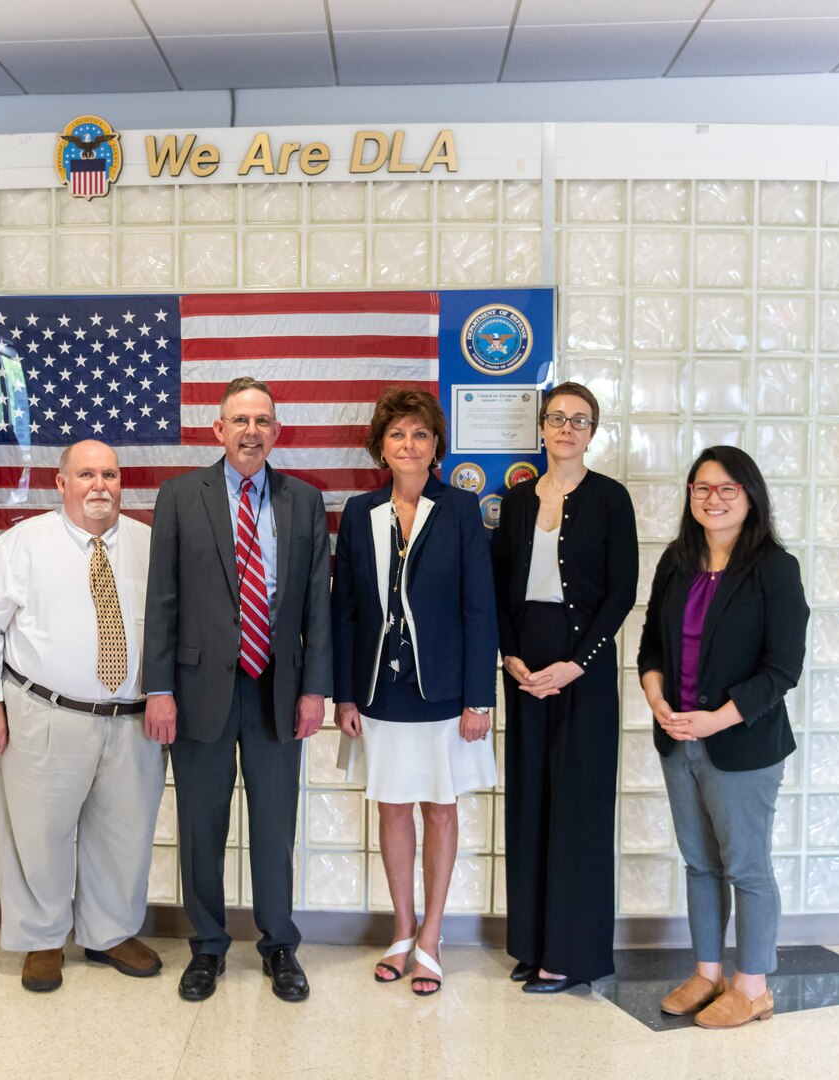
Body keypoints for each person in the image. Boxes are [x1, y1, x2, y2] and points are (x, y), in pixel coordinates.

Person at [143, 376, 333, 1004]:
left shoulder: (304, 500)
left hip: (278, 687)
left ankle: (279, 944)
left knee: (275, 825)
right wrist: (159, 688)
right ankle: (207, 947)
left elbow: (317, 607)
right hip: (197, 689)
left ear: (276, 432)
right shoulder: (178, 496)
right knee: (202, 823)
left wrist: (315, 689)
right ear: (217, 429)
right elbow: (161, 601)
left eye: (263, 421)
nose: (252, 431)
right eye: (240, 420)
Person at [0, 441, 165, 994]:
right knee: (39, 833)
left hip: (133, 720)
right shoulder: (22, 545)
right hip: (45, 713)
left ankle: (110, 932)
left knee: (125, 834)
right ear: (61, 482)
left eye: (110, 474)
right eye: (86, 474)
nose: (100, 485)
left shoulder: (151, 545)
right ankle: (42, 940)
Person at [331, 388, 498, 996]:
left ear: (436, 447)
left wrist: (480, 698)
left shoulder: (460, 508)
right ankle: (401, 931)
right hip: (379, 690)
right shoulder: (358, 511)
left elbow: (480, 607)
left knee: (440, 806)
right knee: (392, 805)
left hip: (444, 693)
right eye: (397, 434)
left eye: (420, 434)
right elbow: (344, 609)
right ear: (381, 447)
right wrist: (344, 695)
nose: (409, 444)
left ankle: (432, 936)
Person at [636, 445, 809, 1030]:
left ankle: (753, 986)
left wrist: (716, 719)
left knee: (746, 867)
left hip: (741, 745)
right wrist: (657, 698)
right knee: (699, 864)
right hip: (677, 738)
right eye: (702, 488)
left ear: (750, 495)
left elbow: (783, 669)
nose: (714, 499)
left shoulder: (775, 570)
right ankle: (707, 973)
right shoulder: (676, 563)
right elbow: (650, 648)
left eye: (727, 488)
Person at [490, 380, 637, 994]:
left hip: (585, 666)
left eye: (580, 420)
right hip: (527, 664)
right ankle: (529, 943)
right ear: (542, 428)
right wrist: (511, 656)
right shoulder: (517, 499)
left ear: (592, 432)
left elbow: (622, 591)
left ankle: (569, 953)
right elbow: (497, 587)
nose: (567, 429)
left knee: (577, 807)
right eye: (557, 419)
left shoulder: (610, 498)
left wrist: (578, 662)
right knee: (529, 801)